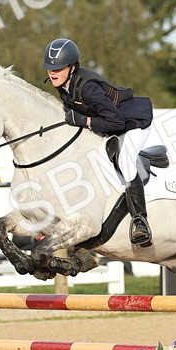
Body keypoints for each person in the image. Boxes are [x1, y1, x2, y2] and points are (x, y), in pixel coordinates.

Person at [42, 37, 155, 246]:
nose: (52, 72)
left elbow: (116, 121)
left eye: (58, 68)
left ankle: (140, 221)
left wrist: (84, 120)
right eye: (50, 68)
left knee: (126, 161)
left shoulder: (87, 88)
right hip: (112, 123)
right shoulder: (63, 85)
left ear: (73, 67)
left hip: (134, 123)